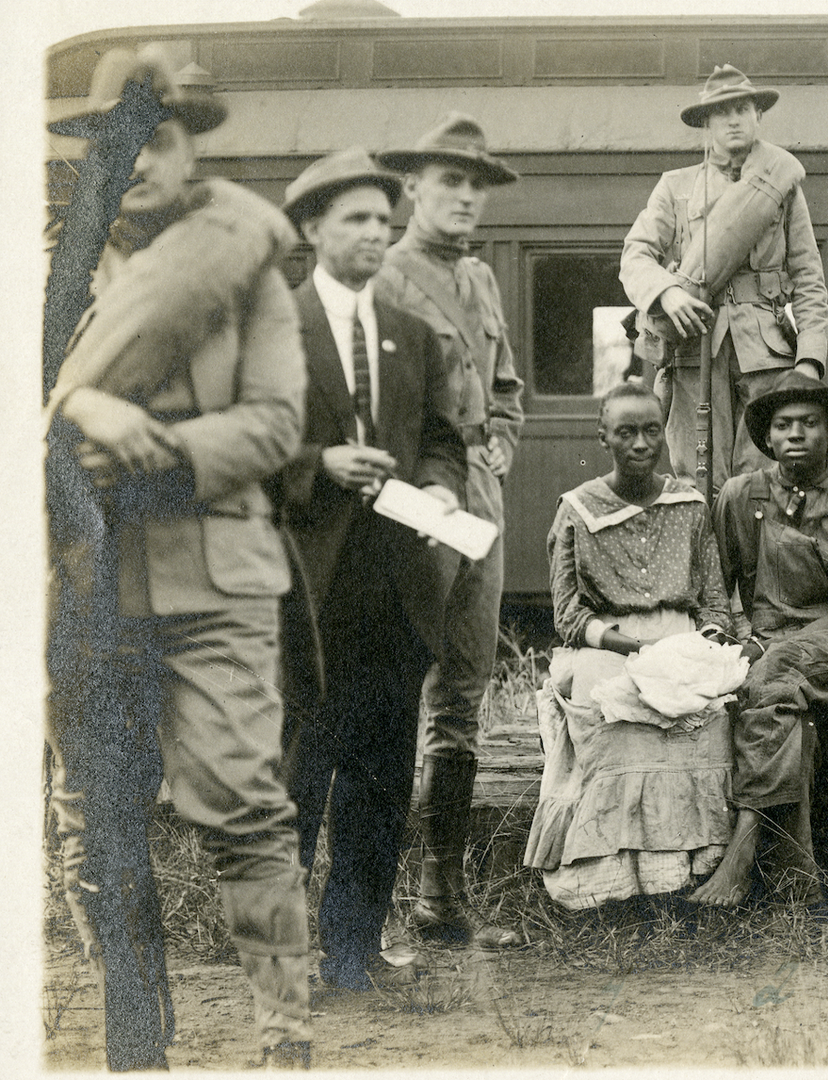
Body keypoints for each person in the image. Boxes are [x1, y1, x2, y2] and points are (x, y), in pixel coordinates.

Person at [43, 46, 314, 1070]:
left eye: (159, 140)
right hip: (82, 573)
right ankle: (135, 1044)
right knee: (92, 818)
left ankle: (283, 1036)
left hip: (213, 571)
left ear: (192, 145)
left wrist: (154, 447)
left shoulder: (237, 263)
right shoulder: (53, 265)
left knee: (244, 806)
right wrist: (82, 401)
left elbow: (276, 424)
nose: (140, 163)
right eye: (120, 144)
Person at [278, 148, 468, 991]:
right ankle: (278, 958)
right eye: (354, 219)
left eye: (383, 223)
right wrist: (317, 462)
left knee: (379, 780)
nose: (373, 235)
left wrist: (435, 484)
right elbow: (239, 445)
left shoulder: (412, 336)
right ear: (311, 228)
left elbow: (443, 439)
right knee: (293, 778)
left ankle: (352, 956)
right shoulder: (270, 330)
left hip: (394, 590)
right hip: (300, 591)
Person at [372, 112, 527, 948]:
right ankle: (365, 904)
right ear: (412, 190)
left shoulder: (480, 280)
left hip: (480, 499)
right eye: (450, 183)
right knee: (399, 687)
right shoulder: (387, 275)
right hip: (412, 499)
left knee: (464, 692)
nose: (466, 197)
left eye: (476, 185)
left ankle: (442, 898)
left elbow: (504, 383)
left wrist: (503, 433)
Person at [521, 382, 736, 909]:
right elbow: (568, 614)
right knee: (608, 708)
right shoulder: (577, 510)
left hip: (680, 638)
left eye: (650, 430)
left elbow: (712, 601)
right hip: (605, 643)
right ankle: (610, 878)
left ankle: (684, 871)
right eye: (625, 432)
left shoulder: (689, 505)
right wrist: (630, 646)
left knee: (708, 713)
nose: (640, 443)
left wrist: (702, 649)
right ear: (603, 438)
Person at [700, 372, 828, 906]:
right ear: (767, 438)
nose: (796, 434)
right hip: (763, 649)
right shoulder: (740, 496)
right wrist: (733, 637)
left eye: (810, 423)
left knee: (776, 674)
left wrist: (773, 650)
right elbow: (720, 586)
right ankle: (797, 869)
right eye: (783, 425)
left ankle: (743, 845)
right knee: (788, 711)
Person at [620, 65, 828, 491]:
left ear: (757, 117)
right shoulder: (675, 187)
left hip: (765, 355)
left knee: (769, 479)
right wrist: (667, 294)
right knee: (696, 476)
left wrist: (809, 359)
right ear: (706, 125)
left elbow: (809, 277)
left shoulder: (782, 185)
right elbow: (635, 256)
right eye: (722, 112)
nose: (734, 119)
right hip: (696, 348)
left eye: (743, 108)